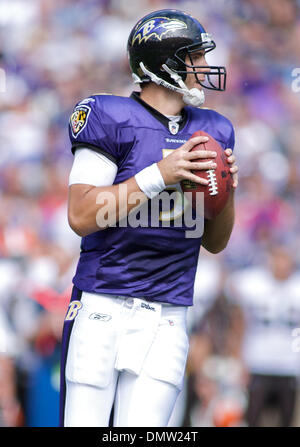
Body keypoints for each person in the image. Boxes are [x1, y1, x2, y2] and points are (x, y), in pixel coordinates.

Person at [59, 9, 238, 427]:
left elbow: (215, 241)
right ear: (165, 63)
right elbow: (82, 214)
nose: (206, 67)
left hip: (169, 314)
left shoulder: (215, 129)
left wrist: (225, 190)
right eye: (196, 57)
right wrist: (160, 174)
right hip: (104, 304)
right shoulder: (109, 116)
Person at [226, 245, 300, 426]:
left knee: (286, 419)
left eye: (285, 259)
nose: (281, 264)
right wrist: (238, 356)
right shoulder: (253, 283)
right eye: (278, 259)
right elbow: (238, 320)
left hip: (289, 365)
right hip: (258, 362)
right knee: (252, 418)